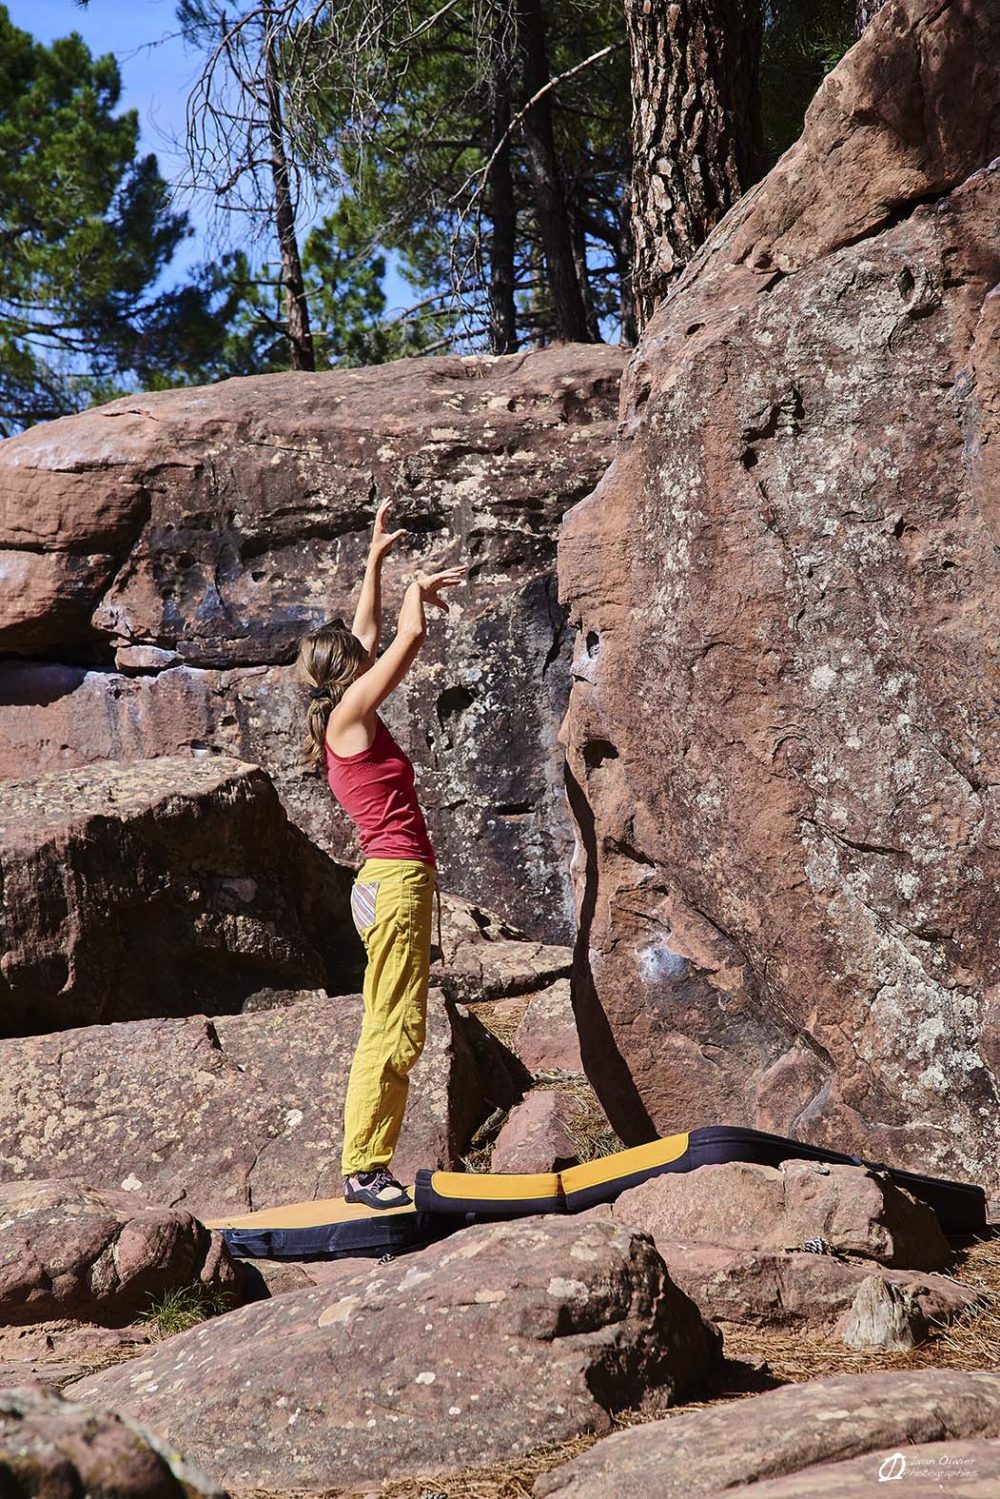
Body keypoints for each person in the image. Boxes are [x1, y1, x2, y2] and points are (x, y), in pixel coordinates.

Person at [295, 498, 466, 1210]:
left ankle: (365, 1164)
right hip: (395, 883)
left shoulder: (341, 710)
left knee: (396, 1021)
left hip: (390, 881)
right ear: (352, 672)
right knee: (393, 1026)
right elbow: (406, 638)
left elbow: (365, 634)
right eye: (359, 656)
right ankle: (365, 1170)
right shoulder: (352, 716)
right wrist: (414, 593)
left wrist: (374, 560)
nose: (366, 652)